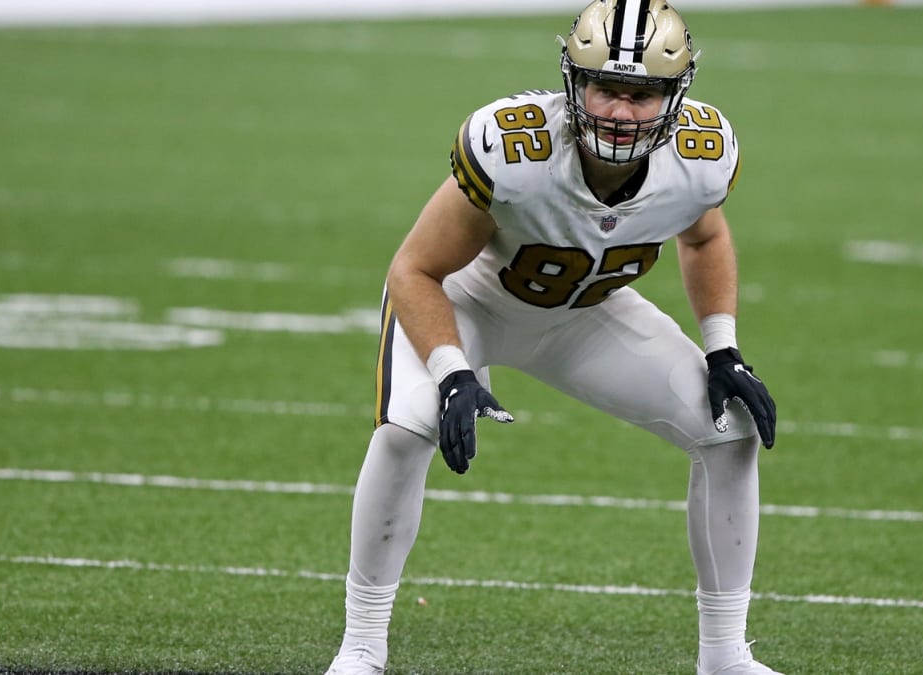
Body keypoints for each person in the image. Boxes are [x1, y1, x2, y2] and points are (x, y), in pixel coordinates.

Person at [324, 1, 781, 673]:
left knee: (730, 431)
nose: (621, 111)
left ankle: (725, 656)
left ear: (675, 97)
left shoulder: (701, 156)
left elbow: (704, 233)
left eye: (643, 93)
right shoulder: (513, 148)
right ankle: (361, 647)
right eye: (606, 88)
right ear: (575, 83)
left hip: (581, 314)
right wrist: (453, 371)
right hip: (471, 300)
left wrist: (724, 348)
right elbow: (414, 270)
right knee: (408, 424)